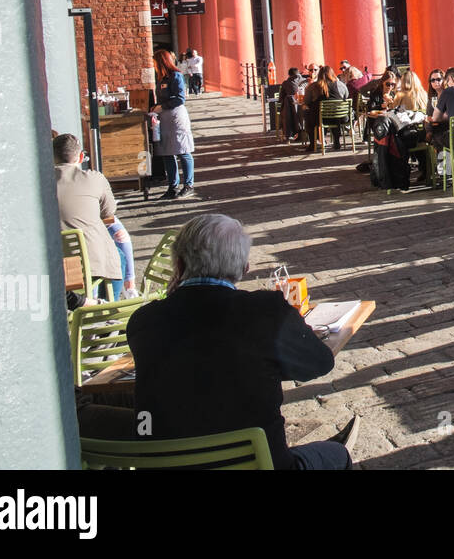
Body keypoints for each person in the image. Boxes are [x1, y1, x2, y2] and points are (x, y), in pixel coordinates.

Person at [126, 214, 359, 470]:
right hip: (259, 464)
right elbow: (319, 364)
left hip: (169, 464)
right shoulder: (265, 312)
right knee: (337, 453)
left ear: (178, 265)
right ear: (244, 268)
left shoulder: (143, 321)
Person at [53, 134, 122, 296]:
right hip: (92, 263)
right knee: (119, 255)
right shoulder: (94, 178)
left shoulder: (41, 182)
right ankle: (113, 305)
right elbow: (108, 211)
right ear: (81, 157)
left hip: (55, 262)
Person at [153, 47, 196, 198]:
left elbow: (180, 98)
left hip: (176, 118)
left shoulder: (175, 76)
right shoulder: (161, 78)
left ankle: (189, 185)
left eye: (155, 63)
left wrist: (162, 106)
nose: (154, 66)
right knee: (167, 153)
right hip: (164, 119)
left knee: (183, 151)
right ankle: (173, 186)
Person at [303, 65, 348, 152]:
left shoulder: (313, 86)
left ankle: (313, 144)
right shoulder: (340, 85)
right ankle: (337, 142)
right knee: (335, 114)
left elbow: (307, 101)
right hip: (339, 117)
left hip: (319, 119)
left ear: (319, 75)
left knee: (307, 115)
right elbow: (346, 96)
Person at [278, 67, 303, 142]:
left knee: (284, 111)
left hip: (288, 112)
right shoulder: (304, 81)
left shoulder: (285, 83)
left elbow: (281, 97)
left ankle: (288, 134)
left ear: (289, 75)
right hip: (303, 108)